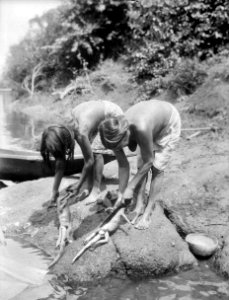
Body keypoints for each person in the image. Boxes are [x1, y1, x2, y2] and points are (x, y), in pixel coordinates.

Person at [99, 99, 181, 230]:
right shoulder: (114, 132)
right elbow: (123, 165)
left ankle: (148, 212)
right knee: (140, 165)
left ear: (125, 136)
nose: (118, 149)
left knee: (156, 168)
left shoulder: (141, 128)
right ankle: (139, 204)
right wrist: (122, 193)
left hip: (168, 123)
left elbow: (149, 161)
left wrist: (130, 188)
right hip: (150, 122)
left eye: (119, 146)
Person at [40, 100, 123, 207]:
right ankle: (92, 182)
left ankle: (95, 190)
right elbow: (61, 162)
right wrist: (54, 192)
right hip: (93, 116)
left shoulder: (81, 132)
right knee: (89, 151)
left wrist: (78, 186)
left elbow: (89, 161)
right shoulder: (61, 130)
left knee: (96, 152)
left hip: (112, 114)